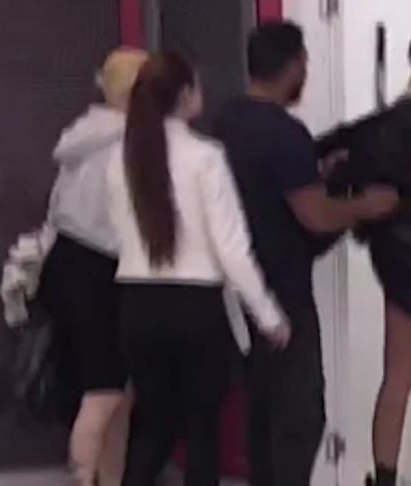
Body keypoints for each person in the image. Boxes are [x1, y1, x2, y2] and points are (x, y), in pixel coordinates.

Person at [213, 22, 400, 486]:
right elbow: (315, 216)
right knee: (299, 417)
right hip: (284, 294)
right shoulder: (285, 133)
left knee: (262, 413)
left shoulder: (228, 121)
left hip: (236, 292)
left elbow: (266, 191)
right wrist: (366, 205)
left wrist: (316, 174)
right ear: (294, 64)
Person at [105, 52, 290, 486]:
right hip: (196, 307)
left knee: (154, 427)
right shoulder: (206, 157)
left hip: (136, 302)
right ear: (185, 94)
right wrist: (268, 315)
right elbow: (231, 247)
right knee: (201, 430)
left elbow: (116, 234)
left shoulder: (120, 159)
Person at [316, 31, 411, 486]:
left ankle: (383, 477)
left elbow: (321, 155)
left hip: (400, 265)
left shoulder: (382, 126)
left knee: (396, 377)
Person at [38, 47, 148, 486]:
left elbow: (57, 208)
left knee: (115, 394)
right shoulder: (130, 143)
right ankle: (85, 477)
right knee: (106, 393)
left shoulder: (83, 136)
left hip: (68, 264)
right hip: (101, 271)